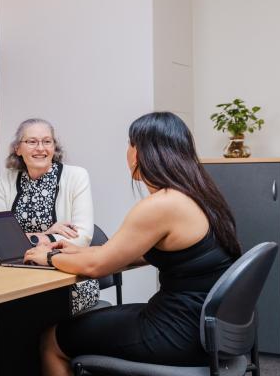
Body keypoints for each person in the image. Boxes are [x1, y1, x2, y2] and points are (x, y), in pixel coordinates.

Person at [25, 112, 241, 374]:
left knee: (52, 339)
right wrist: (79, 251)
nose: (127, 151)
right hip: (208, 327)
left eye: (130, 143)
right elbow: (126, 253)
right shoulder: (199, 195)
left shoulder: (162, 204)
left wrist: (47, 257)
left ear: (140, 152)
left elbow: (96, 267)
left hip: (178, 332)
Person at [0, 118, 97, 314]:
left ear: (54, 147)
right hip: (15, 276)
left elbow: (82, 238)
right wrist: (48, 232)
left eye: (47, 141)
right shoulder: (6, 180)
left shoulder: (76, 176)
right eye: (31, 142)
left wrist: (35, 237)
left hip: (66, 279)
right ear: (18, 149)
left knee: (26, 313)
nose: (40, 148)